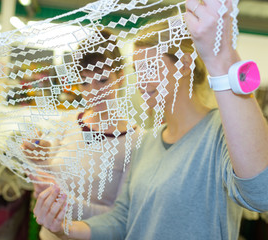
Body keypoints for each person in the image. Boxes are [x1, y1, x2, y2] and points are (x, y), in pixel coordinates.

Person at [31, 0, 268, 239]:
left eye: (151, 67)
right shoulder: (147, 143)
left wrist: (223, 58)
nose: (142, 82)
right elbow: (122, 219)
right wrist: (63, 227)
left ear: (184, 65)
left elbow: (261, 192)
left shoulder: (220, 133)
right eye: (137, 70)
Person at [22, 29, 141, 240]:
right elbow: (46, 181)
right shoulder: (68, 121)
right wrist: (38, 158)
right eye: (85, 82)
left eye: (102, 80)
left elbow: (120, 216)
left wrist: (62, 200)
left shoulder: (135, 140)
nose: (93, 92)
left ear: (120, 77)